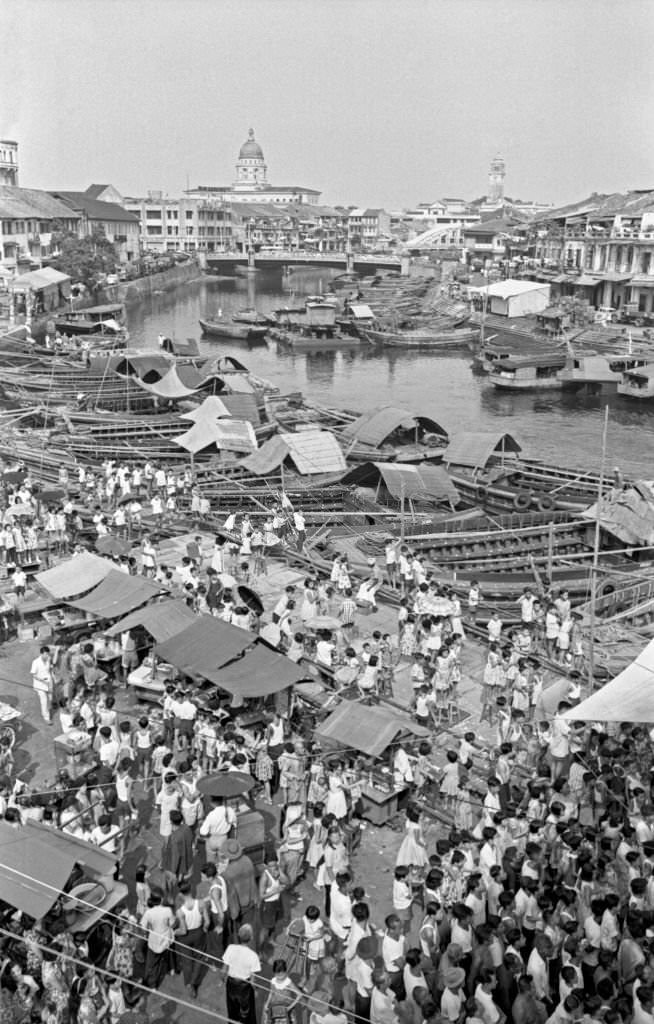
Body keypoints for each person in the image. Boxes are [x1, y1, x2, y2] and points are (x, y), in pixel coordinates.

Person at [222, 923, 261, 1024]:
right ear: (251, 938)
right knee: (246, 1014)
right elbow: (253, 980)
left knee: (232, 1011)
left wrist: (222, 980)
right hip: (245, 988)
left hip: (231, 984)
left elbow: (224, 969)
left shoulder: (230, 948)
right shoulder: (253, 956)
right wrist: (255, 990)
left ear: (238, 936)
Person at [140, 891, 175, 989]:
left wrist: (148, 931)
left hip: (154, 941)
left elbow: (143, 927)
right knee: (168, 955)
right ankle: (171, 970)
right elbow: (172, 923)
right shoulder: (167, 910)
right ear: (161, 900)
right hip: (166, 938)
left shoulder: (148, 912)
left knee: (153, 964)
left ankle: (153, 985)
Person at [31, 646, 54, 723]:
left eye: (48, 654)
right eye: (45, 654)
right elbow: (34, 675)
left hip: (49, 682)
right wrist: (42, 681)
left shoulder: (48, 659)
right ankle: (47, 718)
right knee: (44, 700)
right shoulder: (35, 662)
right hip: (40, 685)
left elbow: (49, 670)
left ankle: (50, 708)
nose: (47, 656)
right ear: (41, 654)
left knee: (50, 698)